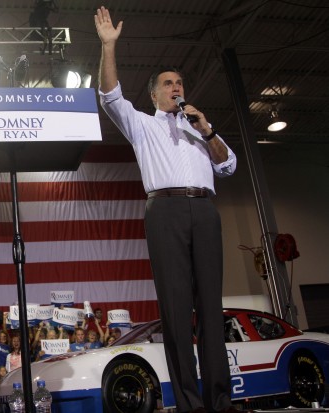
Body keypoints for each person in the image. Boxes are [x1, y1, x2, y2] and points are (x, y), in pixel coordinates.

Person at [95, 7, 238, 413]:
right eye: (168, 84)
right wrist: (108, 47)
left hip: (205, 211)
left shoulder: (200, 128)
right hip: (166, 212)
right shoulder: (143, 124)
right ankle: (191, 404)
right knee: (176, 310)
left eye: (180, 82)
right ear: (154, 94)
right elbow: (110, 96)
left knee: (212, 308)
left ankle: (220, 402)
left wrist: (207, 130)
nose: (176, 88)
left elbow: (227, 165)